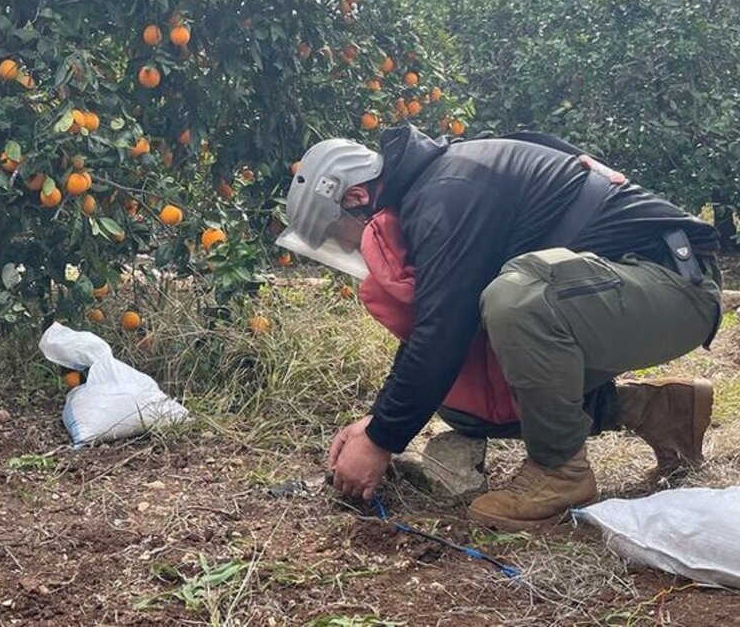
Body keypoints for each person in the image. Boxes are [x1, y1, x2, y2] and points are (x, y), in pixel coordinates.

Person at [277, 125, 723, 530]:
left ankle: (560, 473)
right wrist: (378, 421)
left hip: (674, 285)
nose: (351, 249)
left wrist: (380, 440)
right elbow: (437, 327)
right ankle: (658, 412)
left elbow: (442, 332)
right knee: (468, 405)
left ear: (356, 197)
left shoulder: (447, 191)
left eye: (340, 236)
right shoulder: (435, 188)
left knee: (519, 300)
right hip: (613, 293)